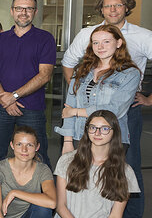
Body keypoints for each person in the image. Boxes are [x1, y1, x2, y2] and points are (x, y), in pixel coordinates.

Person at [61, 0, 152, 218]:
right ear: (101, 9)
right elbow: (69, 63)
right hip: (88, 114)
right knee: (86, 168)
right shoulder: (87, 34)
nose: (112, 10)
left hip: (124, 113)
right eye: (107, 5)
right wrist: (80, 93)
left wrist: (151, 98)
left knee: (127, 169)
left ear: (127, 6)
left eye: (117, 5)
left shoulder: (143, 36)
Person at [0, 0, 55, 166]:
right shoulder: (0, 39)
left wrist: (14, 96)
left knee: (39, 156)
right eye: (19, 8)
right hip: (2, 107)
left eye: (28, 8)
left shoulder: (45, 38)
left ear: (35, 12)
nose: (23, 12)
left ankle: (42, 193)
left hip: (32, 108)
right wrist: (5, 98)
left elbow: (45, 75)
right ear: (12, 11)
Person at [56, 25, 140, 153]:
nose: (100, 47)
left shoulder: (130, 74)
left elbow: (114, 110)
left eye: (106, 41)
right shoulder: (81, 71)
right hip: (80, 137)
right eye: (96, 42)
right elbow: (69, 108)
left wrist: (76, 112)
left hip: (111, 140)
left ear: (118, 43)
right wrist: (67, 142)